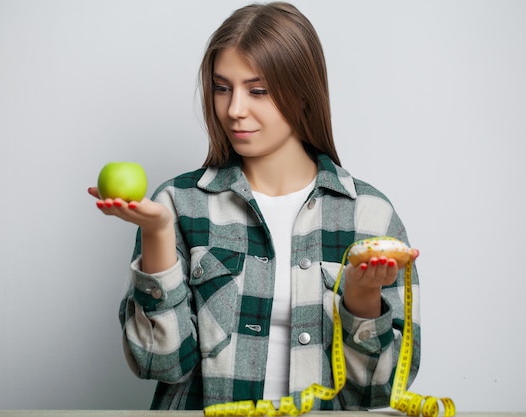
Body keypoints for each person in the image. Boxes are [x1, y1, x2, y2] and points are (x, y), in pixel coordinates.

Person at [88, 1, 420, 411]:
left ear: (303, 95)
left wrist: (362, 301)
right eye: (222, 87)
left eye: (257, 90)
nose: (234, 109)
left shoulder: (369, 216)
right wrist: (157, 234)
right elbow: (160, 363)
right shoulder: (178, 204)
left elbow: (378, 392)